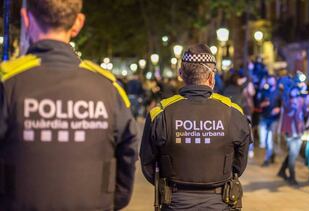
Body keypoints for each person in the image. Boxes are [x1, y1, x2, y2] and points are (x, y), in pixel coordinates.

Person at [0, 1, 139, 210]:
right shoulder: (108, 88)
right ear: (78, 23)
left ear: (26, 19)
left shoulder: (7, 83)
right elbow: (128, 153)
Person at [140, 44, 252, 211]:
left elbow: (148, 163)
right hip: (220, 203)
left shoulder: (160, 114)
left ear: (181, 74)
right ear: (211, 77)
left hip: (175, 202)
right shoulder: (233, 113)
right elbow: (239, 163)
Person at [277, 87, 306, 185]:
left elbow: (304, 113)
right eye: (292, 96)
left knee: (292, 154)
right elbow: (289, 110)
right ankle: (292, 177)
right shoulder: (287, 103)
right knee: (293, 155)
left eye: (297, 96)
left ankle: (281, 171)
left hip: (298, 132)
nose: (295, 99)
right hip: (290, 133)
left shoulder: (301, 102)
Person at [256, 75, 281, 166]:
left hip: (274, 119)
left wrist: (279, 109)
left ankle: (267, 159)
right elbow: (258, 104)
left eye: (272, 81)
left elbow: (283, 106)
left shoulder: (279, 93)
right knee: (263, 140)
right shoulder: (264, 92)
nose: (270, 83)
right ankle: (272, 154)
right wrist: (263, 104)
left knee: (269, 139)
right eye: (269, 81)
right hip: (264, 118)